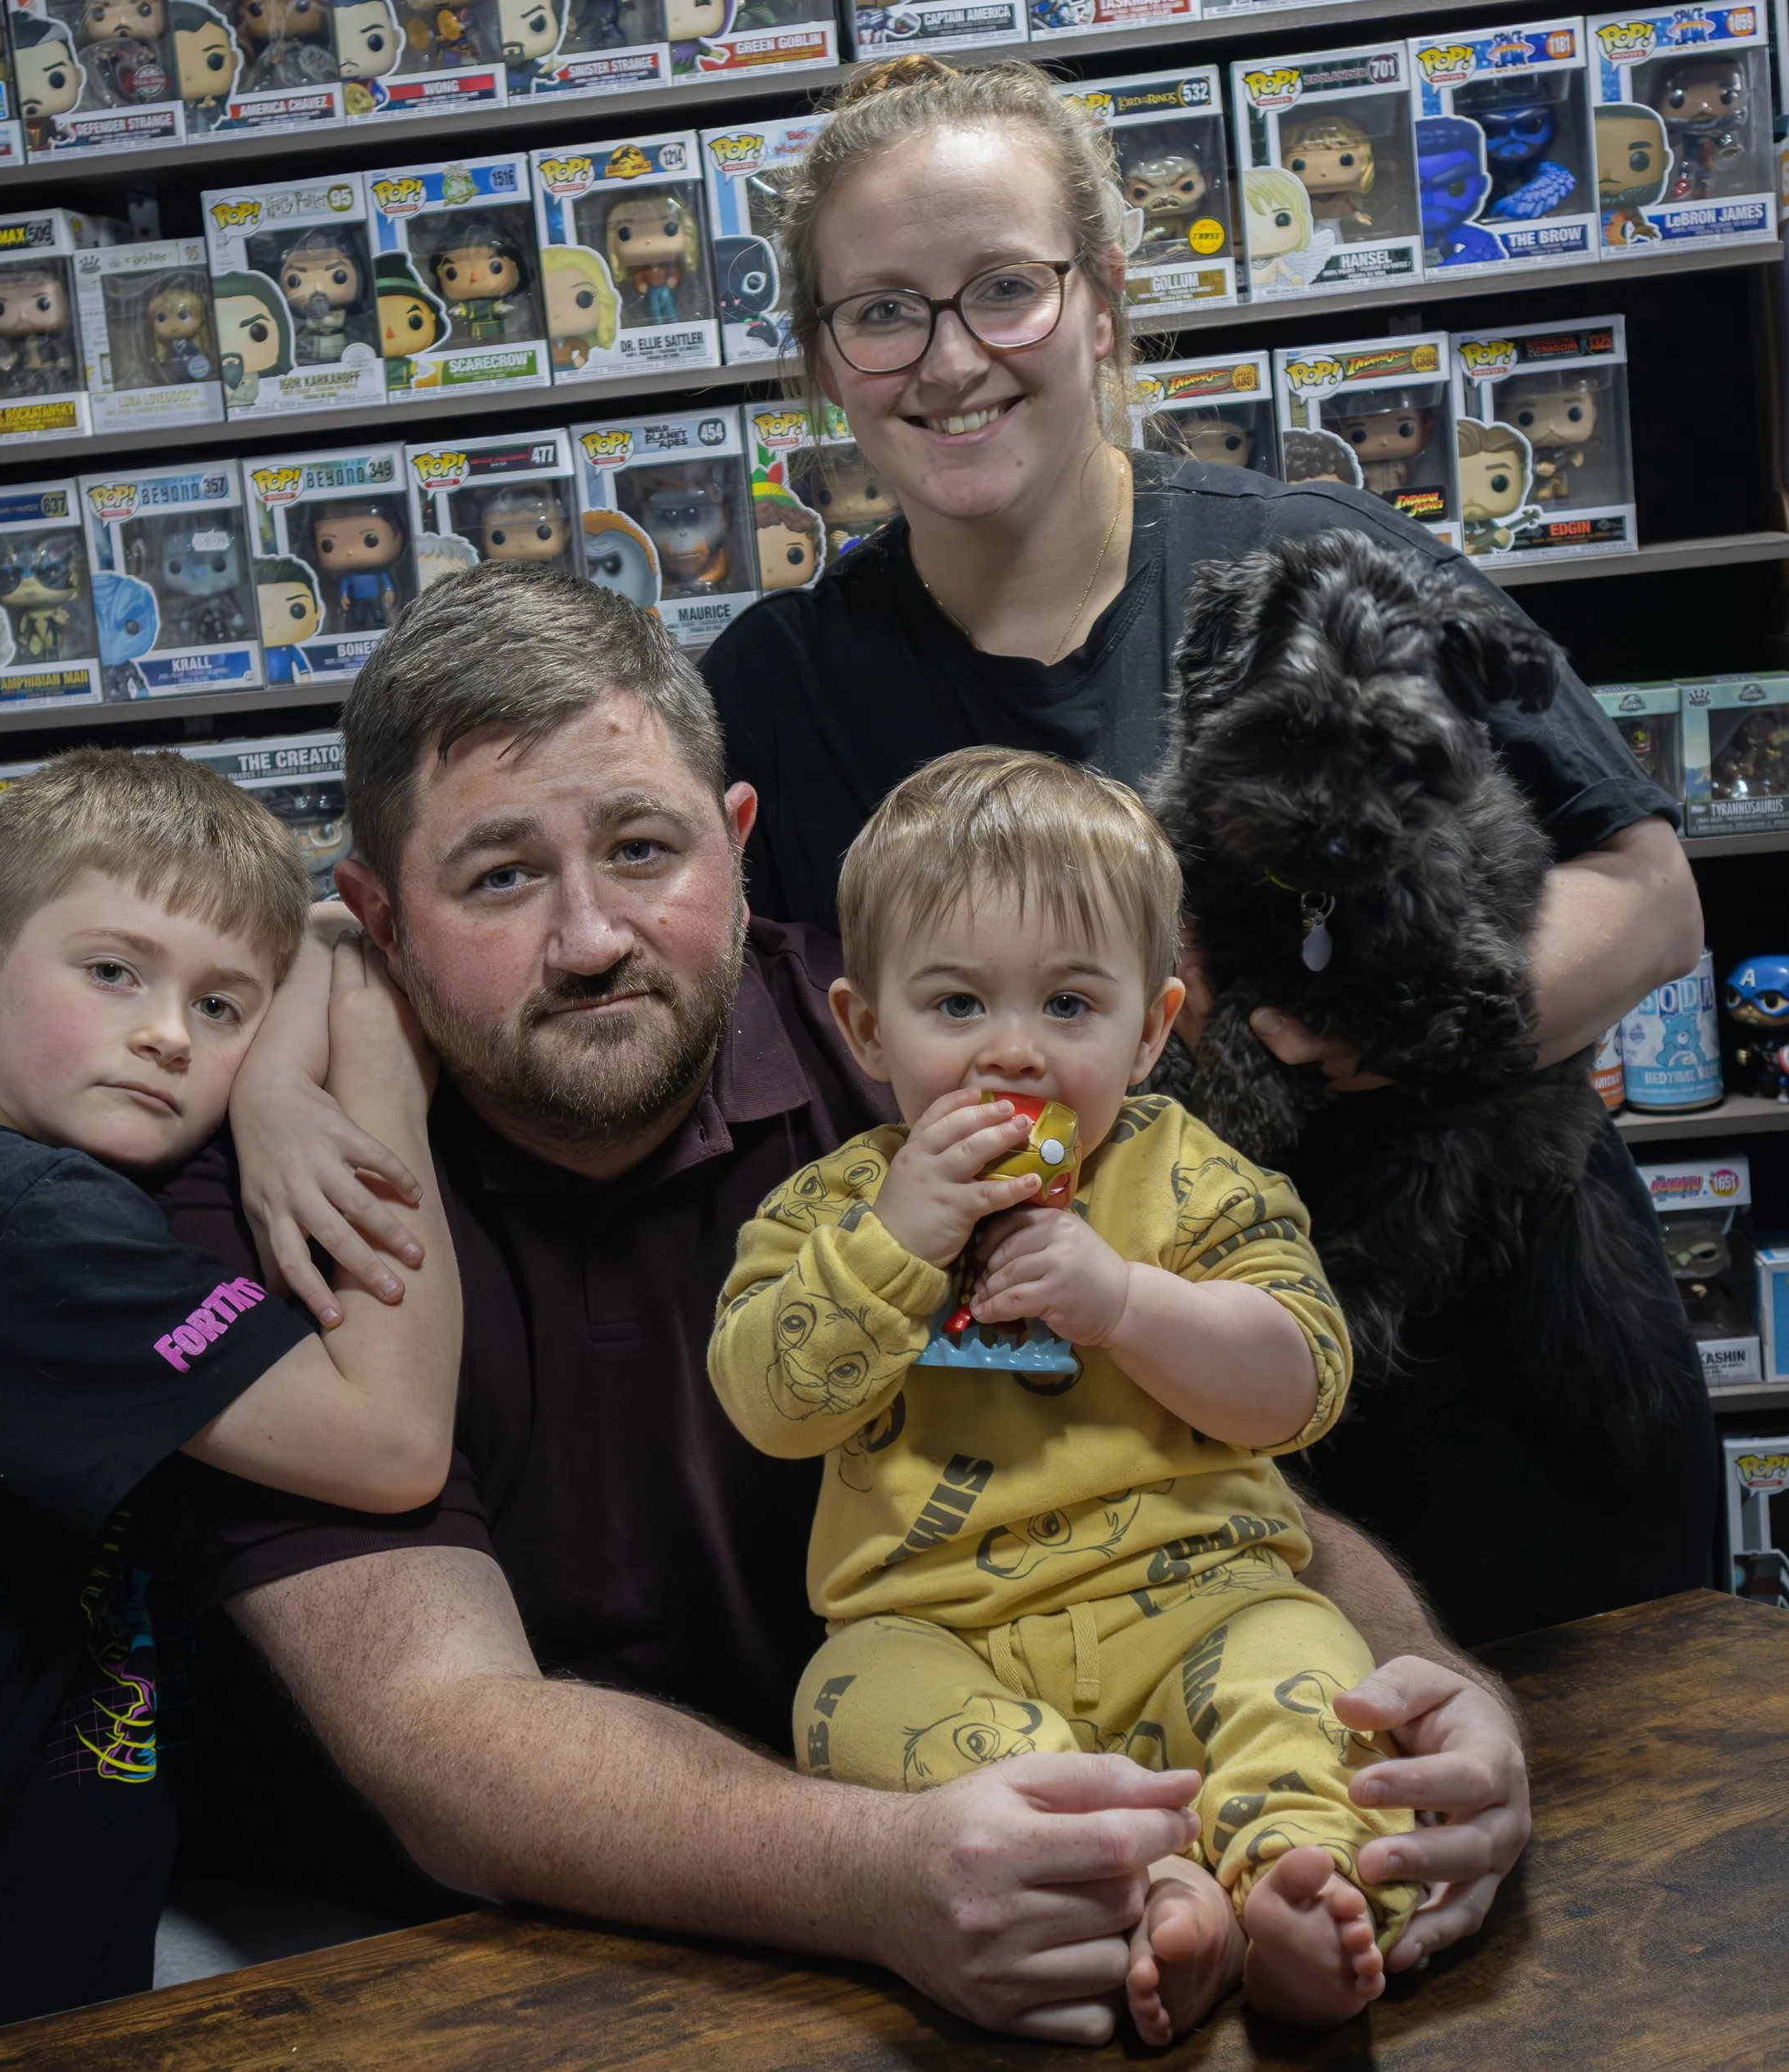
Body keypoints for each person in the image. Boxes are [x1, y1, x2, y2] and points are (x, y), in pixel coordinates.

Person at [196, 564, 1531, 2047]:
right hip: (460, 1976)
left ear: (740, 841)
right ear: (374, 917)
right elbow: (444, 1739)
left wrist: (1423, 1710)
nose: (590, 937)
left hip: (1002, 1883)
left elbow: (1192, 1483)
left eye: (644, 848)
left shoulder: (946, 1036)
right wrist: (878, 1875)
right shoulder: (285, 1190)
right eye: (500, 877)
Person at [698, 56, 1716, 1650]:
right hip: (1116, 1511)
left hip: (1494, 1396)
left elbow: (1648, 899)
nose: (949, 359)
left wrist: (1361, 1034)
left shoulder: (1316, 571)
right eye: (881, 311)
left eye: (1006, 291)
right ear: (822, 361)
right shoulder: (775, 687)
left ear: (1102, 301)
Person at [0, 750, 460, 2072]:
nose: (171, 1032)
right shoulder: (15, 1227)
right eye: (114, 972)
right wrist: (378, 1089)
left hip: (10, 1979)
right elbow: (393, 1444)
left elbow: (329, 940)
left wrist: (278, 1083)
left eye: (222, 1006)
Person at [711, 748, 1418, 2038]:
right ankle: (1146, 1888)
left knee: (1303, 1661)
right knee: (847, 1698)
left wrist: (1127, 1302)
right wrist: (896, 1240)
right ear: (867, 1029)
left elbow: (1303, 1380)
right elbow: (771, 1402)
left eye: (1072, 1007)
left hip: (1200, 1603)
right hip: (945, 1638)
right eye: (960, 1005)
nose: (1016, 1055)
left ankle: (1299, 1888)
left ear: (1151, 1030)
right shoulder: (828, 1205)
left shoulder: (1186, 1177)